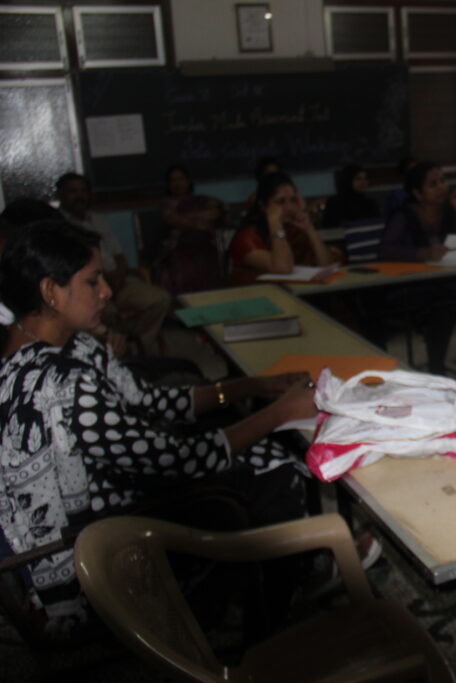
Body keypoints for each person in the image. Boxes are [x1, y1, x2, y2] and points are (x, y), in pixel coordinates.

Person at [0, 219, 319, 640]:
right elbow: (178, 461)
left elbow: (147, 406)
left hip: (95, 510)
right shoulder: (63, 382)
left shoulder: (42, 351)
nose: (107, 291)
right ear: (50, 292)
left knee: (252, 446)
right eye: (92, 281)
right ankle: (267, 635)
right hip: (97, 551)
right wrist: (278, 414)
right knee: (277, 469)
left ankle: (290, 572)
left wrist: (253, 387)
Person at [379, 162, 456, 384]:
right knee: (442, 307)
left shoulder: (449, 211)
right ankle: (437, 370)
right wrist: (422, 253)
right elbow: (385, 251)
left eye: (443, 181)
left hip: (448, 282)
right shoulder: (404, 215)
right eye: (433, 184)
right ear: (417, 193)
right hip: (412, 286)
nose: (442, 187)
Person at [57, 172, 172, 356]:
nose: (79, 196)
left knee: (160, 299)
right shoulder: (57, 225)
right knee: (106, 314)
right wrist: (103, 280)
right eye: (73, 191)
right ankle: (118, 350)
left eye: (83, 191)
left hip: (119, 281)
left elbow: (119, 255)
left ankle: (138, 349)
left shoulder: (98, 220)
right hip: (89, 288)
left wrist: (119, 275)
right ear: (61, 195)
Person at [228, 171, 336, 285]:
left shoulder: (293, 229)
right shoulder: (246, 237)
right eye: (280, 201)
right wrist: (275, 223)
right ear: (263, 206)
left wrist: (309, 229)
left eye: (293, 200)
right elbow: (283, 268)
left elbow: (327, 265)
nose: (289, 207)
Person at [156, 164, 226, 294]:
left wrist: (187, 217)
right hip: (179, 249)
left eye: (181, 179)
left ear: (188, 181)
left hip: (206, 247)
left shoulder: (202, 201)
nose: (178, 184)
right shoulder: (166, 203)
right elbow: (173, 220)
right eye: (173, 180)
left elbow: (215, 214)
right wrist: (200, 221)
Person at [322, 164, 381, 228]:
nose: (363, 182)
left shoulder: (370, 204)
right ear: (347, 180)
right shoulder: (335, 203)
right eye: (358, 179)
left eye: (365, 178)